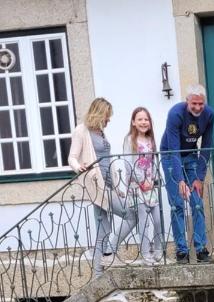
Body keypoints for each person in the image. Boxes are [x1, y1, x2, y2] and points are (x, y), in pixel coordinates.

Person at [68, 98, 136, 277]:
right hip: (97, 185)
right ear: (99, 113)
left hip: (108, 184)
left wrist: (116, 185)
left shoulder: (101, 132)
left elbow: (107, 159)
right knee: (130, 215)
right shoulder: (81, 130)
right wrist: (78, 168)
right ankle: (108, 253)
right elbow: (72, 157)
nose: (109, 119)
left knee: (103, 230)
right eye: (107, 115)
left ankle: (98, 274)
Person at [159, 85, 214, 264]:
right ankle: (182, 250)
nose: (198, 108)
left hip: (191, 156)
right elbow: (174, 149)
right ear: (187, 101)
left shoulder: (209, 115)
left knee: (197, 203)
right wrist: (180, 179)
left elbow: (206, 146)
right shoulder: (175, 113)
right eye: (194, 104)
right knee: (177, 205)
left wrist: (199, 177)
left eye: (201, 104)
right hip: (170, 155)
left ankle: (201, 249)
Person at [120, 107, 163, 265]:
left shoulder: (151, 140)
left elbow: (153, 162)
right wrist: (140, 181)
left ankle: (158, 249)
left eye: (146, 119)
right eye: (140, 119)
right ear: (133, 122)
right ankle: (146, 254)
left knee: (158, 219)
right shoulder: (129, 139)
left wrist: (155, 179)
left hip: (150, 185)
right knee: (144, 221)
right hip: (136, 186)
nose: (144, 122)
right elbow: (128, 163)